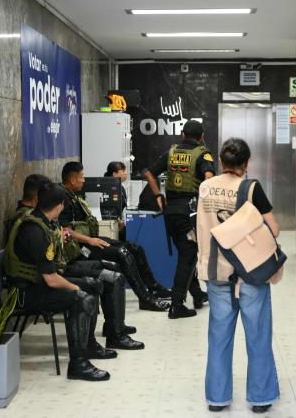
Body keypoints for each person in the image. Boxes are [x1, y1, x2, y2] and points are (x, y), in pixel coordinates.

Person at [7, 174, 144, 352]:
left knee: (111, 275)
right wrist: (77, 288)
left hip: (58, 269)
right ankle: (90, 350)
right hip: (41, 282)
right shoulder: (31, 226)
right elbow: (49, 276)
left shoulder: (40, 220)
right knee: (94, 286)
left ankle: (111, 333)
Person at [196, 138, 282, 413]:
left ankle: (218, 399)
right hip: (249, 274)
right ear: (246, 163)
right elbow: (275, 229)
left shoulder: (205, 188)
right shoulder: (250, 188)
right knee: (257, 336)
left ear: (221, 161)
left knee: (219, 337)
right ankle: (260, 398)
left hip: (216, 273)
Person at [4, 182, 109, 381]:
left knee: (92, 284)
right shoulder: (34, 230)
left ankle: (88, 346)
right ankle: (78, 365)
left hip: (38, 283)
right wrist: (76, 289)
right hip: (26, 294)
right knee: (80, 298)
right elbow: (51, 280)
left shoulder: (43, 221)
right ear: (60, 205)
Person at [59, 162, 170, 311]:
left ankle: (153, 287)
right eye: (81, 177)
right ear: (72, 179)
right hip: (81, 247)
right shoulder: (62, 199)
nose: (84, 180)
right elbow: (64, 230)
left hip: (90, 240)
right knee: (121, 254)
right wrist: (90, 240)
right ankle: (145, 299)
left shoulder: (74, 195)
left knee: (134, 249)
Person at [144, 120, 214, 319]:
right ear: (201, 137)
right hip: (189, 214)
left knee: (186, 252)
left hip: (171, 213)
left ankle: (197, 294)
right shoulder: (203, 154)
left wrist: (158, 195)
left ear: (183, 134)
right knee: (189, 256)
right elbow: (209, 178)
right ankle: (177, 304)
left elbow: (149, 173)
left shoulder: (171, 153)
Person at [104, 161, 171, 298]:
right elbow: (108, 212)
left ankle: (151, 286)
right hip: (114, 228)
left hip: (120, 224)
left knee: (138, 248)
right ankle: (151, 286)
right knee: (135, 249)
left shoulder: (120, 187)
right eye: (122, 171)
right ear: (114, 174)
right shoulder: (109, 188)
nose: (125, 173)